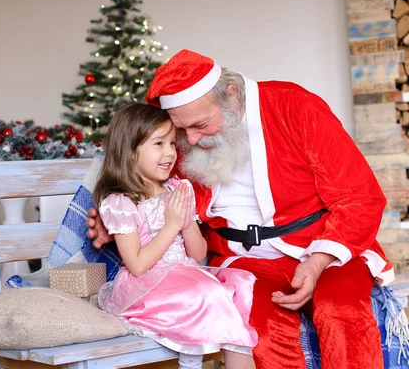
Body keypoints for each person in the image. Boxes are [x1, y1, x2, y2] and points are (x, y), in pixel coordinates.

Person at [87, 49, 393, 369]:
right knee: (259, 331)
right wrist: (113, 224)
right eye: (181, 131)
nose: (189, 140)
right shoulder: (179, 138)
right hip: (243, 261)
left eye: (200, 124)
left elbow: (360, 197)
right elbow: (144, 187)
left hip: (320, 246)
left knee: (341, 311)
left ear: (231, 97)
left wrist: (318, 260)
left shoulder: (297, 107)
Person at [93, 102, 257, 369]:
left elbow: (198, 254)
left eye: (172, 143)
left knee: (232, 289)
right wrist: (170, 225)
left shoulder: (177, 188)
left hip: (184, 274)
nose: (170, 152)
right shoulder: (120, 203)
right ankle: (191, 363)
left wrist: (185, 223)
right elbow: (137, 264)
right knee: (206, 294)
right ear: (130, 151)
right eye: (159, 144)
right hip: (147, 285)